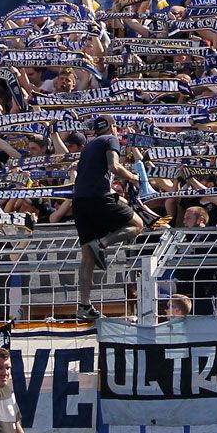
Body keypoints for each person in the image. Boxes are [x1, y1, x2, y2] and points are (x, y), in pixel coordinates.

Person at [71, 116, 141, 321]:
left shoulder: (89, 145)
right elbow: (114, 166)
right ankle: (102, 243)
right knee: (138, 224)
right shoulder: (111, 139)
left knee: (87, 258)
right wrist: (134, 178)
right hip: (98, 198)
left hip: (79, 202)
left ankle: (84, 305)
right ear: (112, 127)